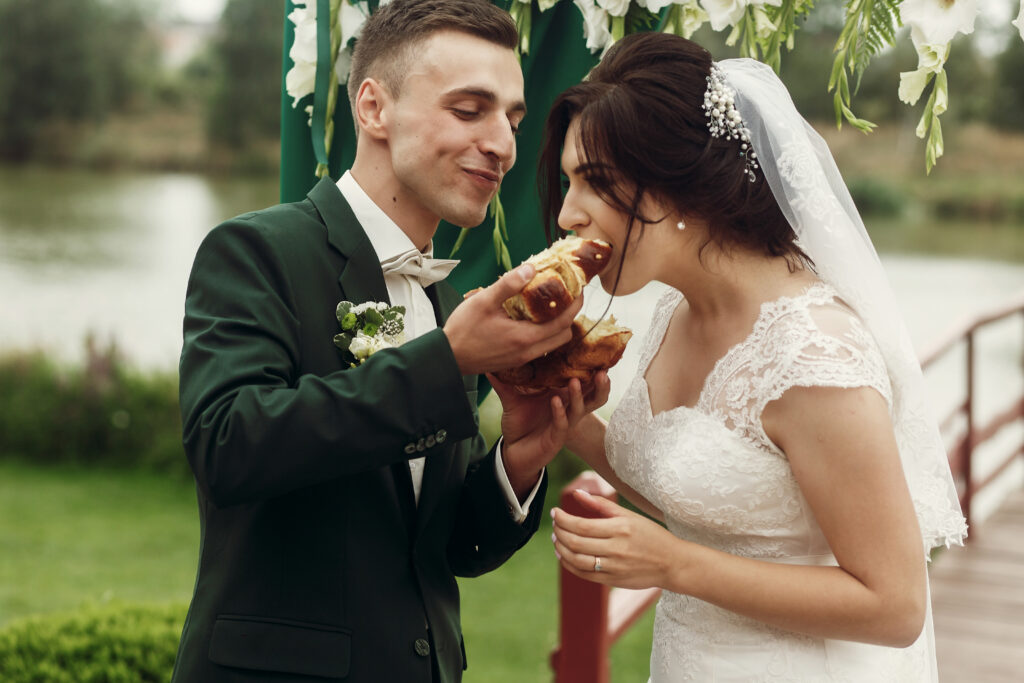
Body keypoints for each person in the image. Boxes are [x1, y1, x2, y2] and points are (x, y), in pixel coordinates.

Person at [171, 2, 605, 681]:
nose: (503, 145)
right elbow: (230, 447)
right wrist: (449, 360)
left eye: (513, 120)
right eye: (470, 110)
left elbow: (439, 545)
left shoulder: (445, 299)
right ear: (373, 108)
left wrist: (518, 458)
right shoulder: (254, 251)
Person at [543, 32, 967, 681]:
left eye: (595, 182)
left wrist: (673, 564)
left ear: (680, 184)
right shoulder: (675, 312)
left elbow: (895, 604)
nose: (569, 213)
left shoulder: (815, 356)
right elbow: (708, 497)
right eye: (570, 181)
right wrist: (569, 421)